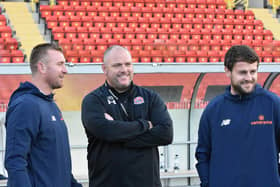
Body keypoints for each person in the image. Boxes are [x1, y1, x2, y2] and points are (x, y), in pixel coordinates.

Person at [81, 45, 173, 187]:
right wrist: (145, 125)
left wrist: (119, 137)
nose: (124, 70)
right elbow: (106, 130)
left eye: (128, 64)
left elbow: (166, 133)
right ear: (104, 69)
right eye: (117, 65)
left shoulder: (150, 97)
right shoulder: (93, 100)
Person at [195, 45, 280, 187]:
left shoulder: (273, 104)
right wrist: (207, 182)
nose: (249, 78)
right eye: (242, 72)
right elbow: (203, 154)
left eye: (253, 71)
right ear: (227, 71)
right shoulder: (213, 109)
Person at [4, 43, 82, 187]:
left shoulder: (52, 106)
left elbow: (58, 163)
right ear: (42, 67)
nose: (65, 70)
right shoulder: (25, 105)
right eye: (60, 64)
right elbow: (15, 161)